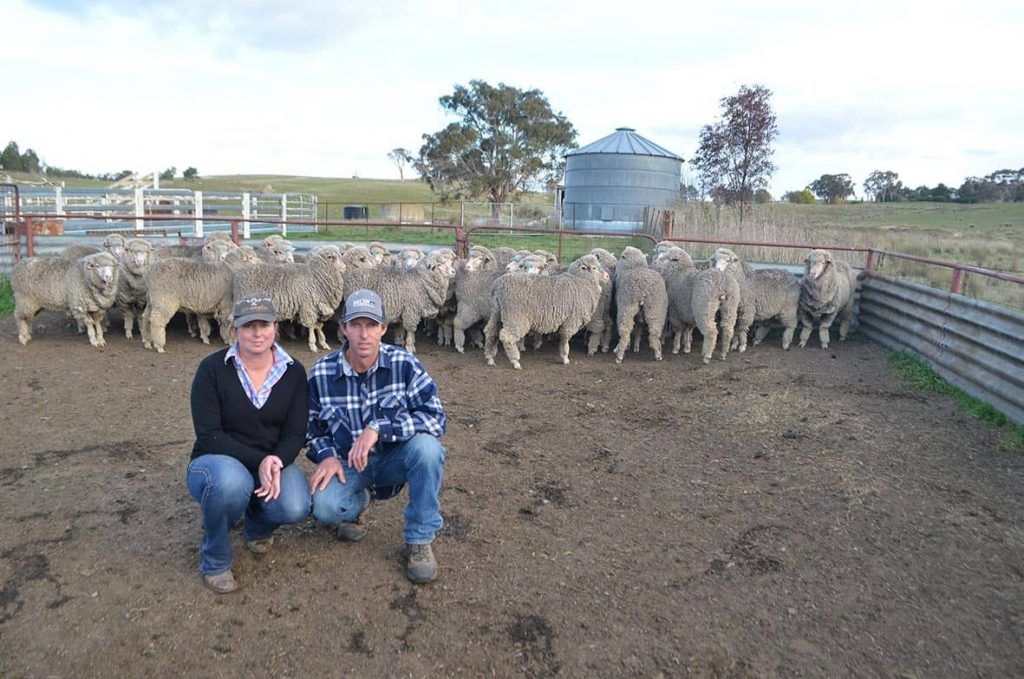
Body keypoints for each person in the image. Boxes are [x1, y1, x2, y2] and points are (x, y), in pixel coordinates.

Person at [307, 289, 447, 583]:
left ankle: (419, 539)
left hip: (394, 458)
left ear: (383, 328)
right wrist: (327, 455)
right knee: (323, 506)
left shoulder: (404, 364)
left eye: (371, 325)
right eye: (355, 325)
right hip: (349, 464)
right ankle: (359, 503)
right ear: (343, 328)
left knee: (428, 450)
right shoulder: (321, 372)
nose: (363, 334)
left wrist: (380, 428)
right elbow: (312, 426)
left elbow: (435, 419)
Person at [186, 293, 310, 593]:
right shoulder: (212, 370)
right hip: (216, 462)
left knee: (296, 505)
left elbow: (296, 432)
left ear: (275, 328)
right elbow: (209, 434)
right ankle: (215, 559)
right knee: (231, 483)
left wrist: (277, 459)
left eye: (264, 324)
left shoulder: (293, 372)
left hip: (270, 461)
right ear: (234, 331)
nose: (257, 333)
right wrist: (262, 461)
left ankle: (257, 523)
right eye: (248, 325)